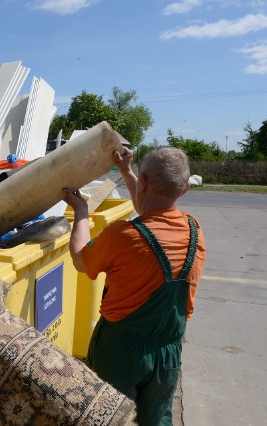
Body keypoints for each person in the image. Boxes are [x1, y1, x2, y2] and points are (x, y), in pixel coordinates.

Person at [63, 146, 206, 426]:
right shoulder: (193, 228)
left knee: (108, 418)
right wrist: (127, 172)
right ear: (185, 189)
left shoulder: (122, 236)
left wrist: (81, 212)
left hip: (121, 351)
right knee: (157, 419)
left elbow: (81, 261)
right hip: (169, 351)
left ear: (143, 183)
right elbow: (153, 212)